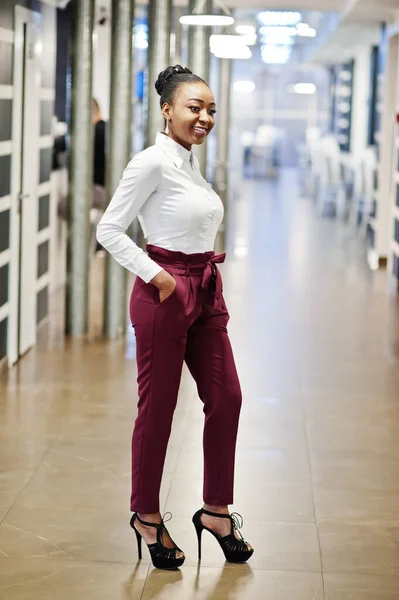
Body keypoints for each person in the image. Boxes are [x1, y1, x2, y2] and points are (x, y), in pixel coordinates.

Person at [96, 65, 253, 570]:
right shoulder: (150, 163)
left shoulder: (188, 163)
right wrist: (157, 275)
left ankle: (215, 510)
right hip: (164, 292)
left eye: (210, 109)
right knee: (158, 409)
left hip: (205, 289)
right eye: (194, 107)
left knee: (226, 396)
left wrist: (193, 281)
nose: (204, 117)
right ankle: (145, 514)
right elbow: (109, 229)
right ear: (166, 110)